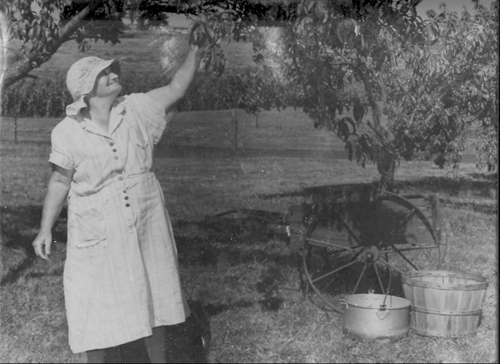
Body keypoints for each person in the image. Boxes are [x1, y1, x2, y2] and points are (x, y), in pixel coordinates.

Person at [31, 25, 208, 363]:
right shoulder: (67, 132)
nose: (113, 73)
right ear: (86, 89)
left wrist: (195, 52)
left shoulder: (136, 108)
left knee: (155, 292)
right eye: (104, 72)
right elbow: (59, 182)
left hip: (146, 215)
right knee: (92, 298)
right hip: (96, 225)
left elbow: (176, 88)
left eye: (113, 68)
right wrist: (44, 229)